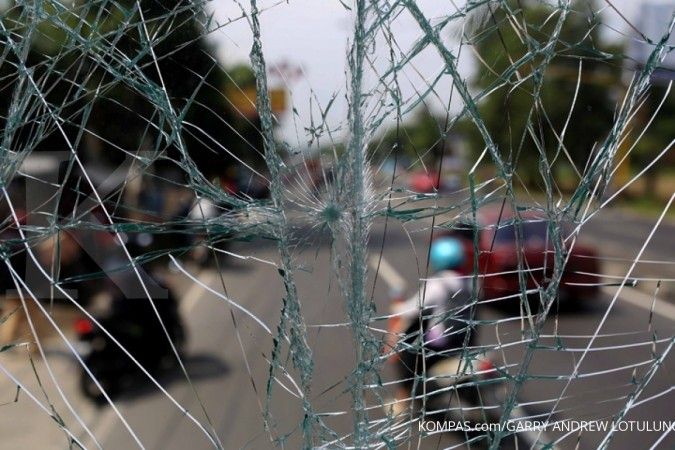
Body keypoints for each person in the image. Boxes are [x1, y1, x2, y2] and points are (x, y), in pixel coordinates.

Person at [385, 237, 476, 415]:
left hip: (440, 343)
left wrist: (396, 305)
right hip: (465, 339)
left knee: (407, 357)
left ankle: (402, 401)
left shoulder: (439, 284)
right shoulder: (471, 282)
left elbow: (412, 310)